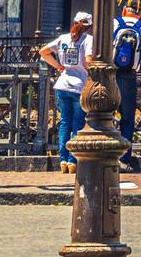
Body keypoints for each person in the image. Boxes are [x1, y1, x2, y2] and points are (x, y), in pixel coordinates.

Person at [40, 12, 94, 174]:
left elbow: (43, 51)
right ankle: (73, 160)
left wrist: (58, 66)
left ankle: (63, 159)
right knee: (77, 124)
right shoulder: (88, 40)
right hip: (80, 86)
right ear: (89, 27)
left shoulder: (63, 38)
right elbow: (89, 61)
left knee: (64, 123)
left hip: (62, 85)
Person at [111, 4, 141, 171]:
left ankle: (105, 153)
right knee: (127, 118)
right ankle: (123, 158)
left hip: (109, 74)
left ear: (124, 11)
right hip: (128, 76)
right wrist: (136, 59)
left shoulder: (113, 23)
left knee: (104, 114)